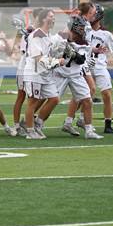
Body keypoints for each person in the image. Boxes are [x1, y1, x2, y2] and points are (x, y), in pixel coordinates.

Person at [53, 15, 104, 139]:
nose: (83, 30)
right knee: (50, 100)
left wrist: (82, 56)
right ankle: (33, 122)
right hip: (60, 73)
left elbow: (81, 59)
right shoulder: (61, 37)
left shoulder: (83, 41)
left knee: (87, 99)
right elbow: (54, 50)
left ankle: (88, 130)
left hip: (76, 74)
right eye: (80, 28)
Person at [22, 9, 64, 139]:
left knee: (54, 99)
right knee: (32, 102)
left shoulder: (48, 35)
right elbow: (38, 57)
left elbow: (49, 53)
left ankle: (38, 124)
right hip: (34, 73)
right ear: (43, 19)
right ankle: (30, 131)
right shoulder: (36, 35)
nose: (53, 18)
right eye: (51, 16)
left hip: (45, 74)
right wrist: (56, 62)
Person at [87, 4, 113, 134]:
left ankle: (108, 124)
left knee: (107, 95)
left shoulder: (106, 34)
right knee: (83, 97)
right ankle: (78, 121)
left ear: (98, 16)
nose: (90, 16)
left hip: (99, 67)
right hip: (84, 67)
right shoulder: (83, 30)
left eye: (92, 13)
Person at [12, 8, 42, 136]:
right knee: (21, 96)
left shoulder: (41, 32)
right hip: (25, 67)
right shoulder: (29, 30)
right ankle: (17, 126)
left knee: (39, 96)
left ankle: (27, 121)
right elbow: (25, 51)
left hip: (35, 68)